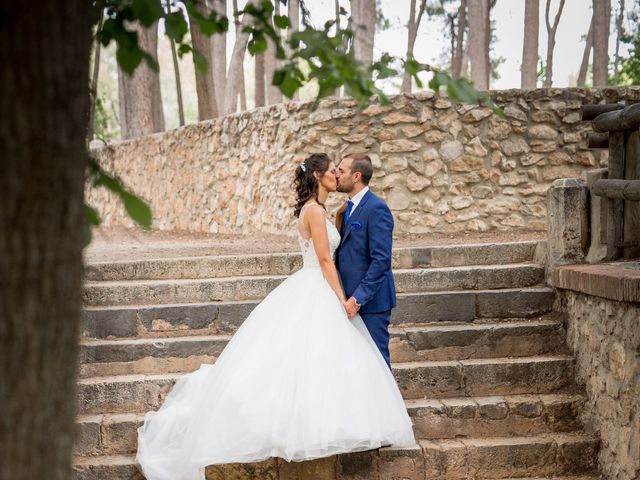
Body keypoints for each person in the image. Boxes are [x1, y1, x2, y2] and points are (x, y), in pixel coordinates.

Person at [135, 153, 415, 480]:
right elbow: (325, 262)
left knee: (341, 360)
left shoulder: (334, 211)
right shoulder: (314, 211)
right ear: (318, 176)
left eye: (340, 171)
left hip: (338, 291)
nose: (336, 176)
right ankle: (327, 427)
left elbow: (357, 256)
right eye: (331, 172)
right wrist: (343, 301)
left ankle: (362, 425)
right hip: (323, 289)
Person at [335, 153, 396, 368]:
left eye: (341, 171)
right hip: (347, 300)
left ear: (356, 176)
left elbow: (381, 260)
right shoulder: (346, 209)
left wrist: (357, 299)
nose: (336, 175)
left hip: (370, 303)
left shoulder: (376, 208)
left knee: (377, 363)